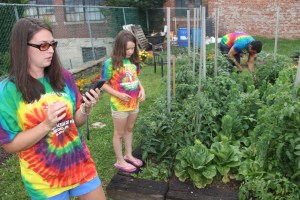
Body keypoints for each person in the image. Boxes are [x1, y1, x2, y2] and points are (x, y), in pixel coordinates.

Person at [0, 18, 106, 200]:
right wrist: (46, 124)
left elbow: (76, 121)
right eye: (43, 46)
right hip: (45, 180)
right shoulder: (8, 92)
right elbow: (10, 145)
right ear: (22, 48)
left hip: (79, 164)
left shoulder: (63, 77)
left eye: (52, 44)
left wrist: (86, 108)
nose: (51, 50)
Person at [101, 30, 146, 173]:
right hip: (119, 105)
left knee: (130, 129)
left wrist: (142, 89)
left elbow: (135, 78)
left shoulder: (134, 62)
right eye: (127, 49)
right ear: (120, 47)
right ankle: (120, 161)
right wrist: (118, 95)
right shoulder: (110, 63)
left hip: (134, 103)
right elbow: (103, 84)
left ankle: (128, 155)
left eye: (133, 48)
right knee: (119, 133)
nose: (130, 51)